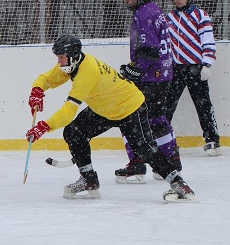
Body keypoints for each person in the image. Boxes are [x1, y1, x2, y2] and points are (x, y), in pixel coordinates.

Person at [26, 34, 196, 202]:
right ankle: (89, 180)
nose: (59, 62)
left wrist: (44, 126)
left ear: (72, 56)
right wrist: (37, 91)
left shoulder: (87, 72)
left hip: (130, 107)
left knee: (143, 149)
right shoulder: (72, 63)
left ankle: (179, 184)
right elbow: (47, 78)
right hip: (106, 109)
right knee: (73, 132)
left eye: (61, 58)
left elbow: (68, 111)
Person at [115, 0, 180, 184]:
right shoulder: (153, 8)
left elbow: (149, 51)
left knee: (128, 116)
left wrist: (134, 70)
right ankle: (171, 160)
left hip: (151, 75)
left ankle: (137, 163)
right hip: (163, 73)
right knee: (157, 117)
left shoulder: (143, 14)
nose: (125, 0)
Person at [165, 0, 222, 157]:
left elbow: (207, 40)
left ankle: (212, 140)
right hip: (176, 69)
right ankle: (163, 139)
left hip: (195, 68)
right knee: (167, 105)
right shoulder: (169, 18)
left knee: (203, 104)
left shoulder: (200, 15)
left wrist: (206, 63)